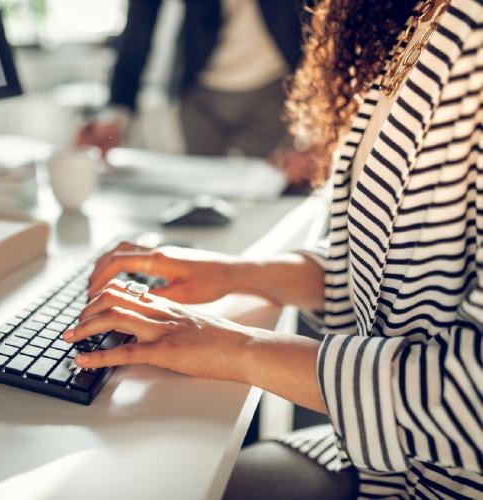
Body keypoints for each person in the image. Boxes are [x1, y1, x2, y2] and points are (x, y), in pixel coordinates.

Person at [64, 0, 483, 497]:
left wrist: (238, 348)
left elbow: (471, 399)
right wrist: (241, 272)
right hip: (381, 463)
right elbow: (391, 274)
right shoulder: (417, 23)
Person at [76, 0, 306, 159]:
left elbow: (320, 20)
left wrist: (318, 127)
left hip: (275, 89)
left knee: (276, 197)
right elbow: (140, 20)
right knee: (201, 205)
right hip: (200, 93)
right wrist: (118, 111)